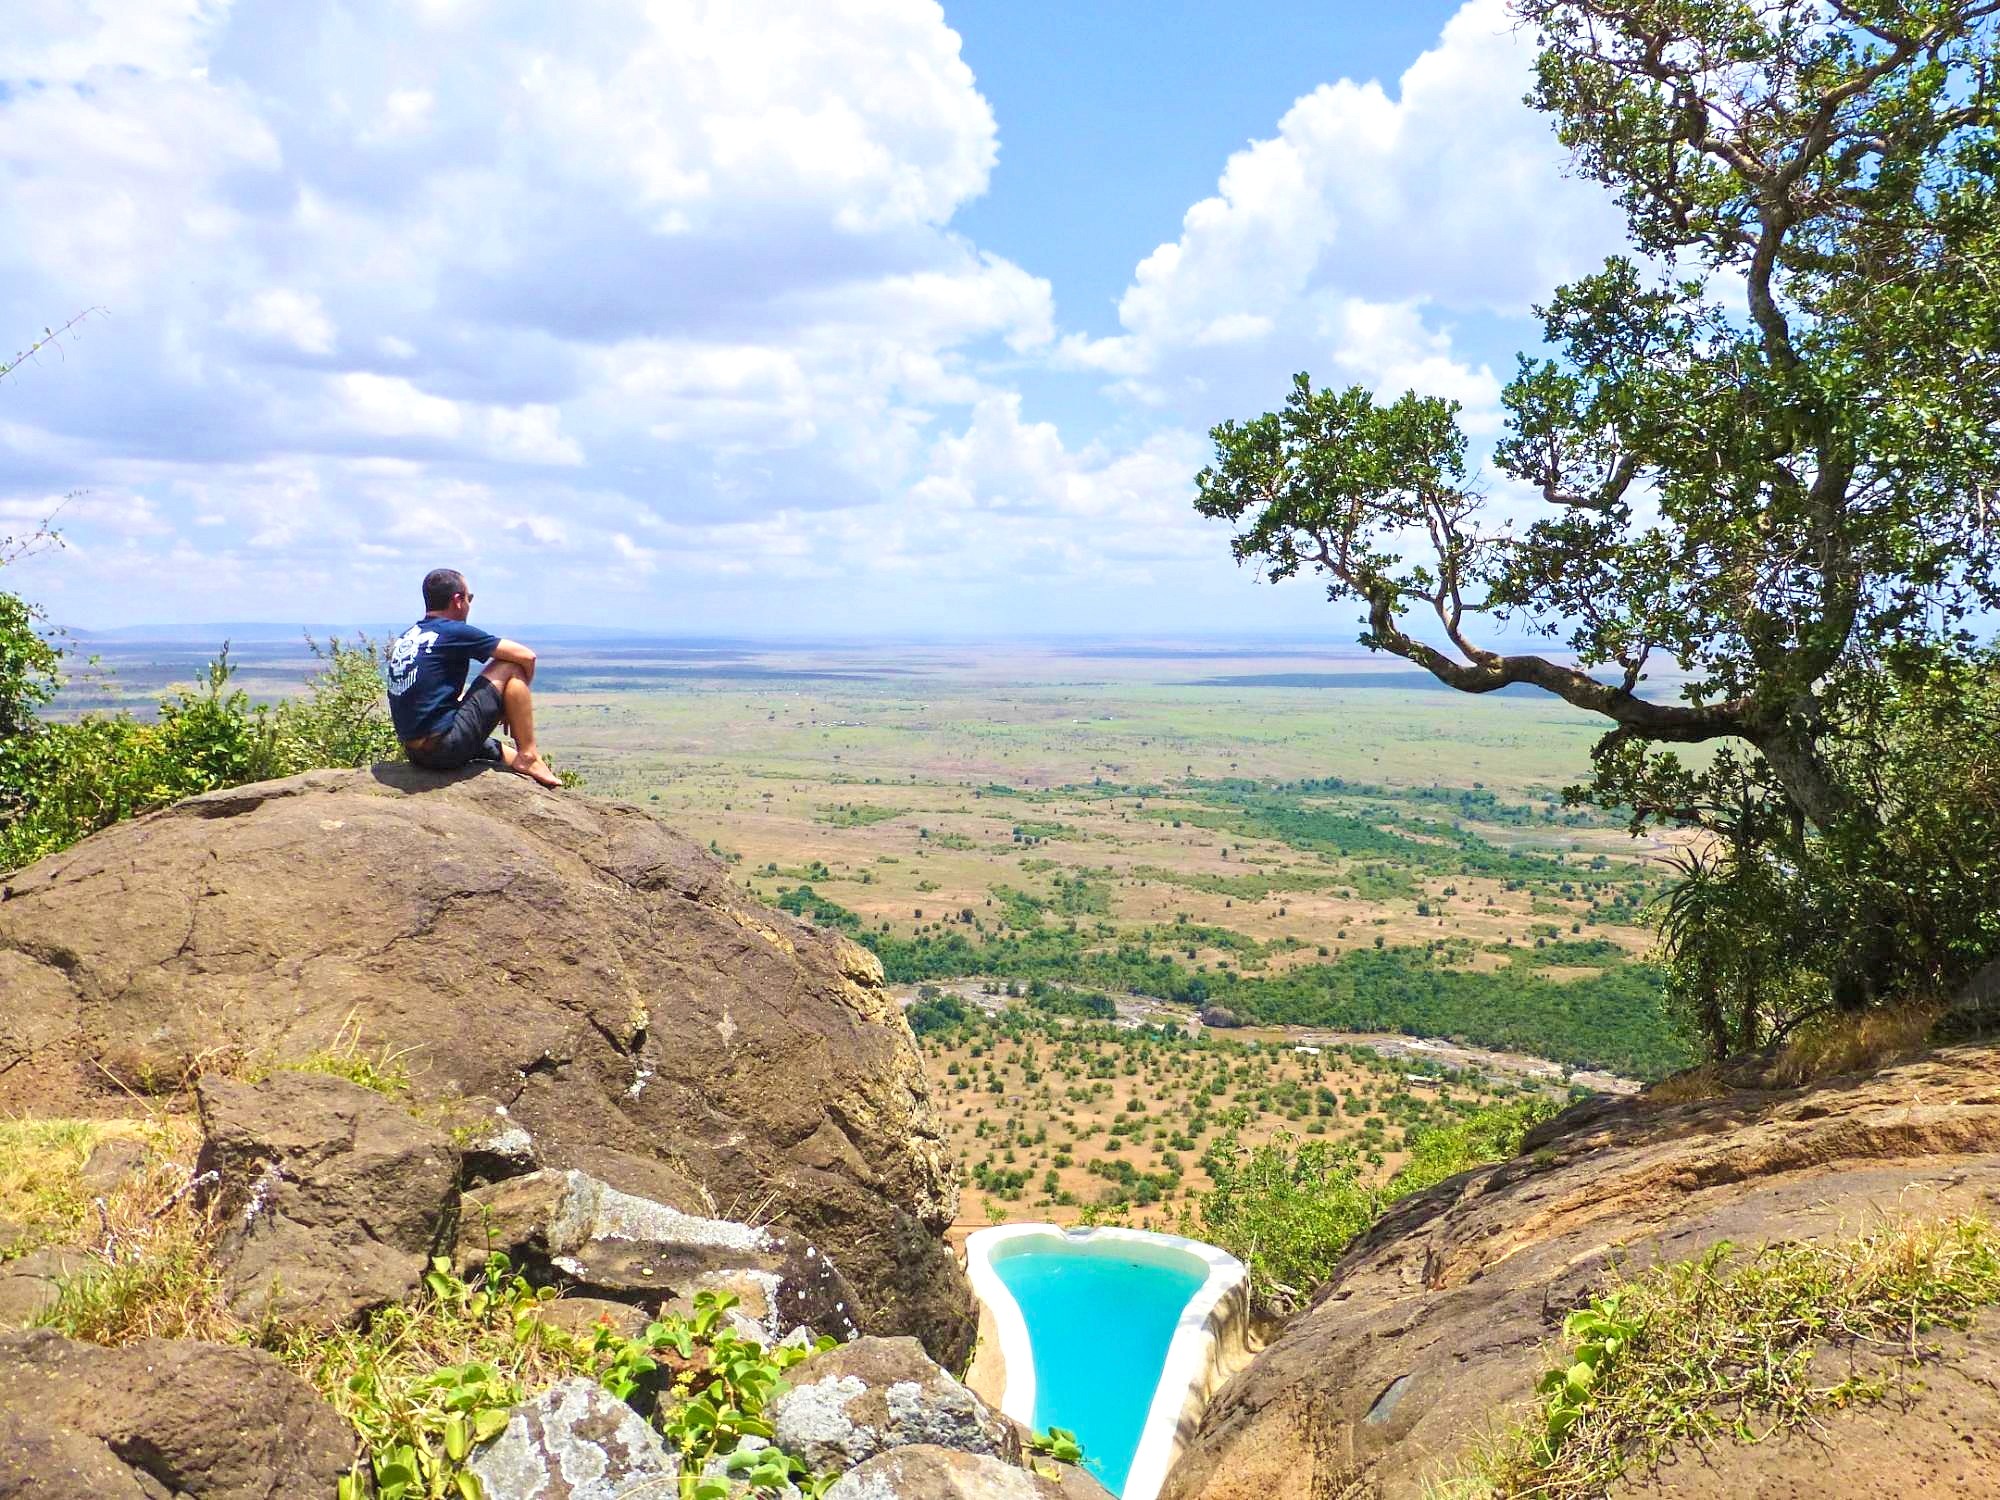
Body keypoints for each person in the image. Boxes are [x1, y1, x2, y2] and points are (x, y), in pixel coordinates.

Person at [386, 568, 562, 787]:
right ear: (458, 600)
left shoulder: (408, 636)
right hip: (444, 748)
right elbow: (527, 657)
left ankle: (523, 764)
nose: (470, 604)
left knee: (500, 752)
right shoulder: (453, 631)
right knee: (509, 666)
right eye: (470, 598)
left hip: (417, 752)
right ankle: (528, 756)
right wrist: (509, 704)